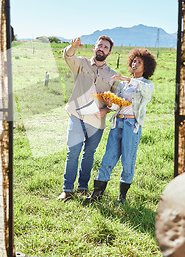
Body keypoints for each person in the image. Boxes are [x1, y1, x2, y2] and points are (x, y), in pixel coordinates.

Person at [86, 48, 156, 204]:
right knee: (107, 158)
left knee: (128, 161)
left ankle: (122, 198)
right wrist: (110, 102)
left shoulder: (146, 84)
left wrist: (126, 78)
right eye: (133, 61)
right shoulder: (123, 85)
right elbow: (117, 105)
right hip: (118, 122)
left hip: (132, 125)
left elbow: (146, 91)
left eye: (139, 62)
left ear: (146, 67)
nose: (134, 64)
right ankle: (96, 195)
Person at [57, 36, 119, 201]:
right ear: (94, 47)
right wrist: (73, 47)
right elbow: (68, 56)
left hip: (97, 121)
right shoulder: (82, 63)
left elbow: (117, 102)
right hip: (77, 115)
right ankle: (67, 189)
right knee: (73, 153)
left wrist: (106, 109)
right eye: (100, 45)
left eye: (105, 47)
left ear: (109, 52)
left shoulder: (113, 75)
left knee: (89, 154)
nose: (101, 48)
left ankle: (82, 188)